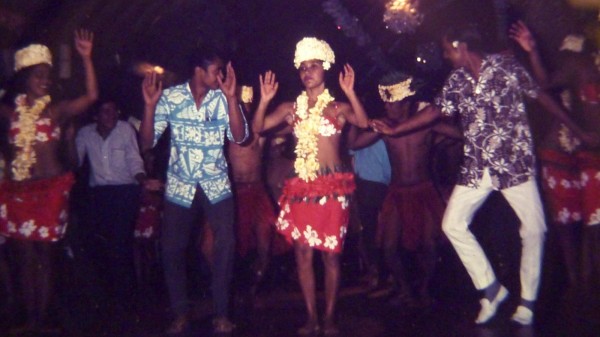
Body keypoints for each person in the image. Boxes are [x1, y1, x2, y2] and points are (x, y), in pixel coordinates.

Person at [370, 23, 598, 326]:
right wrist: (397, 128)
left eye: (447, 50)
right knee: (452, 224)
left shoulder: (505, 66)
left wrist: (577, 129)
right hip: (478, 167)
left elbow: (542, 95)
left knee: (534, 229)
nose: (446, 56)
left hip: (514, 163)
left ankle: (527, 302)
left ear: (460, 46)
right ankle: (490, 289)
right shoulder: (457, 80)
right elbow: (435, 111)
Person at [253, 37, 369, 335]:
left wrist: (351, 92)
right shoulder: (292, 108)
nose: (307, 72)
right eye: (303, 67)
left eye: (313, 66)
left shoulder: (337, 107)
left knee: (331, 256)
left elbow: (364, 122)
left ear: (325, 69)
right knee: (302, 254)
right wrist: (264, 100)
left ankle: (329, 318)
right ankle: (311, 317)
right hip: (301, 189)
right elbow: (258, 128)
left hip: (332, 189)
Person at [140, 46, 248, 334]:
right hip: (180, 185)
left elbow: (240, 136)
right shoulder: (171, 97)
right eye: (217, 70)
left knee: (225, 247)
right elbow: (147, 144)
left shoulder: (223, 98)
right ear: (199, 71)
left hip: (216, 186)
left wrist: (232, 97)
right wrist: (150, 107)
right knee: (172, 249)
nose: (221, 76)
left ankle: (221, 313)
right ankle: (180, 313)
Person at [0, 30, 98, 332]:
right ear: (24, 78)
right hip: (16, 192)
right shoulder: (9, 113)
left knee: (46, 259)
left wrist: (86, 57)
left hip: (50, 192)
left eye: (48, 75)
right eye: (38, 75)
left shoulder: (56, 111)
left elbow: (92, 96)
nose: (45, 80)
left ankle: (41, 320)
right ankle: (29, 318)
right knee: (23, 260)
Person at [355, 72, 460, 307]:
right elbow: (355, 143)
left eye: (390, 101)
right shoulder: (384, 126)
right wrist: (365, 122)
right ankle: (405, 290)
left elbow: (459, 135)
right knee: (390, 247)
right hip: (397, 192)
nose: (386, 105)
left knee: (430, 245)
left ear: (406, 102)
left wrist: (440, 124)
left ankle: (424, 288)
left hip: (424, 191)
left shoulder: (426, 124)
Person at [510, 22, 600, 297]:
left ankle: (588, 287)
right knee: (569, 224)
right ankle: (578, 285)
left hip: (589, 151)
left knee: (594, 224)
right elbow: (545, 85)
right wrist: (532, 50)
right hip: (572, 150)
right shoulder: (581, 65)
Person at [75, 99, 148, 304]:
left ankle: (127, 295)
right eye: (106, 111)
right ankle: (108, 293)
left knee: (120, 241)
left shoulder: (125, 129)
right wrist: (67, 138)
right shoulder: (85, 134)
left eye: (114, 110)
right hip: (99, 195)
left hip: (125, 191)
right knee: (100, 243)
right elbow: (76, 163)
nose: (112, 115)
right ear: (95, 116)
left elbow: (134, 159)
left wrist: (143, 180)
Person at [226, 85, 282, 299]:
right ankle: (235, 284)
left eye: (248, 104)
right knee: (232, 243)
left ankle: (257, 283)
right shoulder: (228, 130)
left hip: (257, 192)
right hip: (235, 193)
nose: (245, 109)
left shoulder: (260, 131)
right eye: (241, 105)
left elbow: (276, 125)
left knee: (264, 242)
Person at [346, 126, 391, 292]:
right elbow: (351, 156)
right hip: (369, 184)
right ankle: (377, 273)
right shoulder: (364, 132)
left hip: (374, 186)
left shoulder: (382, 130)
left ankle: (379, 275)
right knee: (370, 232)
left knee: (373, 232)